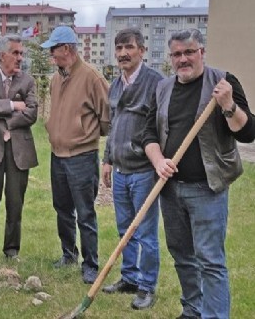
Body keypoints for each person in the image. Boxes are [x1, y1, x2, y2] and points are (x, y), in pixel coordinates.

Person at [142, 29, 255, 319]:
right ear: (171, 58)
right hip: (170, 188)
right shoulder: (163, 88)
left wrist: (229, 105)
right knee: (182, 255)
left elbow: (248, 132)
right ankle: (193, 308)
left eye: (189, 52)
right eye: (177, 54)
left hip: (207, 188)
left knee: (210, 260)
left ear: (201, 52)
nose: (183, 59)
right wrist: (158, 161)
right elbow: (148, 134)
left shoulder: (223, 83)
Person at [40, 25, 110, 284]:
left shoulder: (93, 77)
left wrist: (84, 134)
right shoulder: (56, 78)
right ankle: (68, 254)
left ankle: (90, 263)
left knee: (85, 212)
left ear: (67, 49)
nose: (51, 56)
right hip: (57, 156)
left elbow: (107, 117)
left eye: (53, 50)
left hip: (81, 157)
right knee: (62, 208)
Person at [100, 28, 163, 310]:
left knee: (146, 233)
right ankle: (129, 277)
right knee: (125, 229)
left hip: (143, 171)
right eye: (119, 48)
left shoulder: (156, 84)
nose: (123, 53)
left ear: (142, 50)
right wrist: (107, 159)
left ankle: (147, 286)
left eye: (129, 47)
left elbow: (163, 129)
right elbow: (113, 126)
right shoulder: (116, 85)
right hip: (121, 170)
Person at [0, 34, 38, 263]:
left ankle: (12, 250)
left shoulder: (28, 81)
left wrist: (7, 123)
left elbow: (32, 113)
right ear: (3, 56)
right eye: (16, 53)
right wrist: (13, 105)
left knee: (15, 202)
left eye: (22, 53)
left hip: (19, 151)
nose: (20, 58)